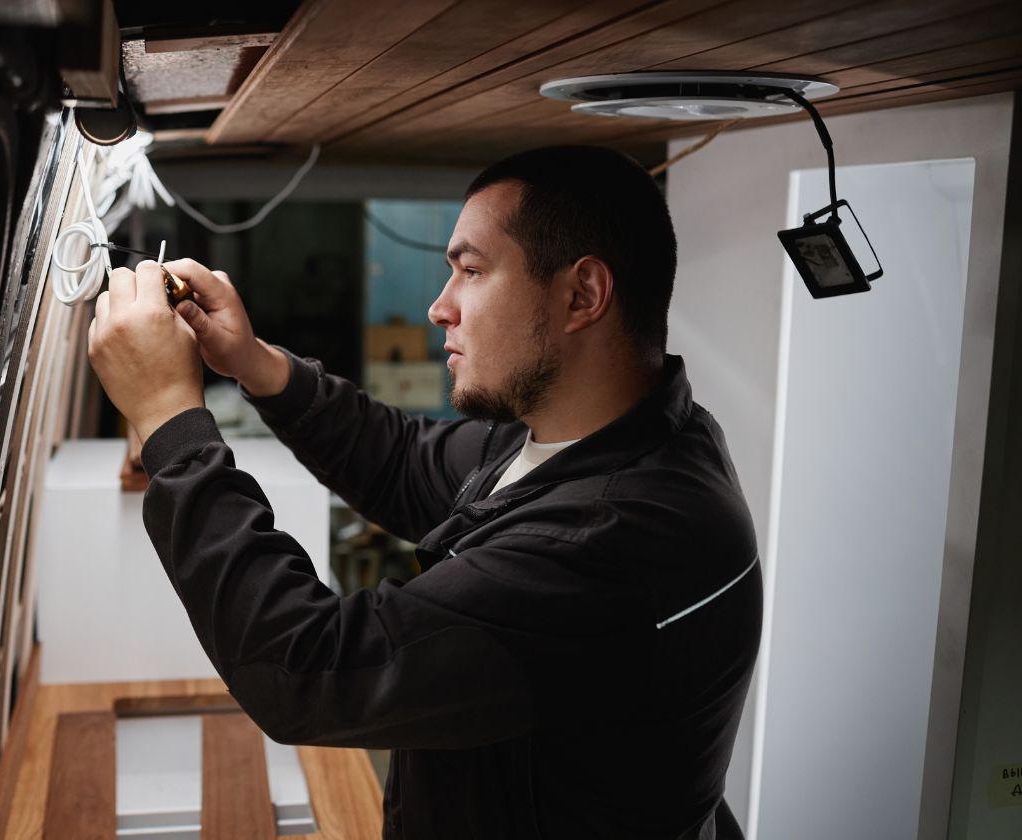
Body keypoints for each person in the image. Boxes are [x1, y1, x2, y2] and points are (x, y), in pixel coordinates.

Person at [87, 146, 762, 839]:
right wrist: (254, 363)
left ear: (582, 295)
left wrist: (169, 417)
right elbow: (404, 462)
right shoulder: (606, 436)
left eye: (472, 270)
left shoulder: (608, 541)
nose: (440, 307)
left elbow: (308, 669)